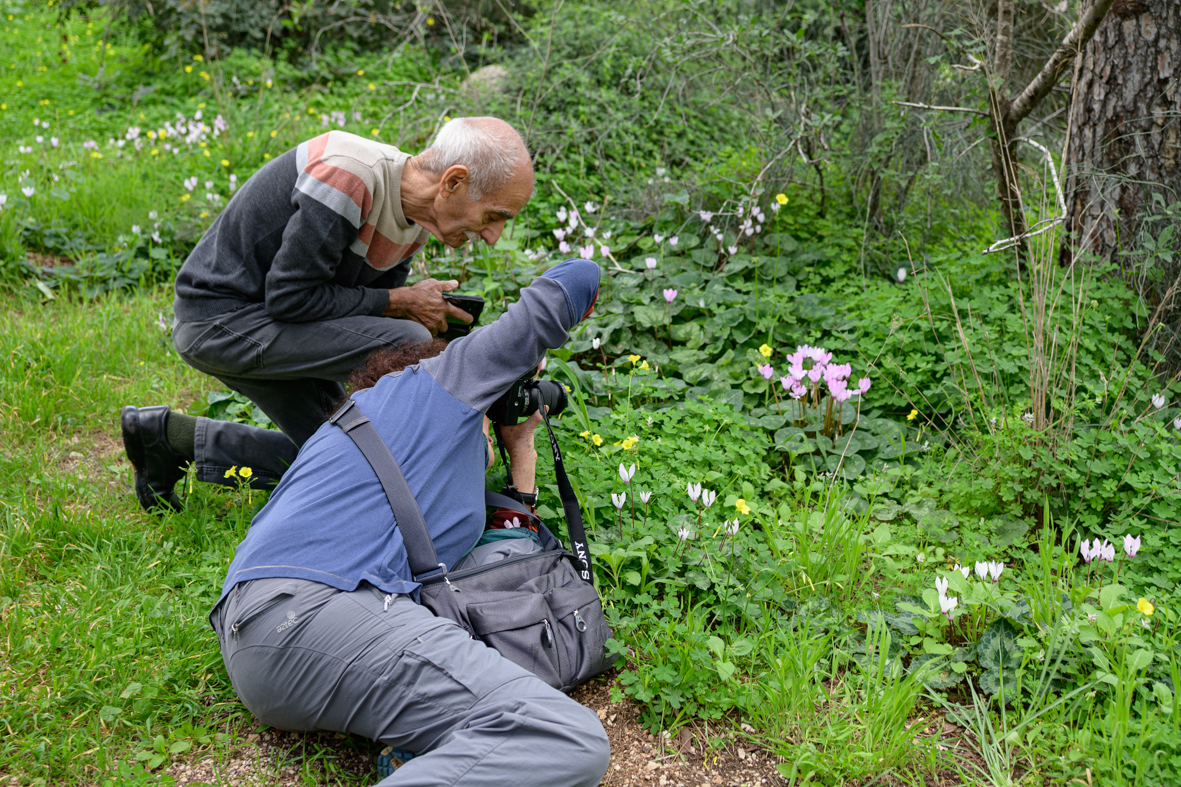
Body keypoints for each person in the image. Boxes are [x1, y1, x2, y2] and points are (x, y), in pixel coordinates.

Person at [209, 258, 608, 787]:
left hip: (269, 633)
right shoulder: (441, 381)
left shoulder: (369, 439)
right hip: (312, 612)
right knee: (561, 736)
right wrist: (514, 362)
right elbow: (576, 278)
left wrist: (521, 451)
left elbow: (502, 561)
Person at [121, 116, 534, 512]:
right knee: (406, 341)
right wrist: (401, 305)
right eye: (494, 215)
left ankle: (169, 439)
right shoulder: (349, 177)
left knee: (360, 456)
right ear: (453, 182)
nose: (493, 236)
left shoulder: (413, 220)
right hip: (219, 322)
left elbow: (353, 309)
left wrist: (430, 322)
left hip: (276, 323)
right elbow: (290, 298)